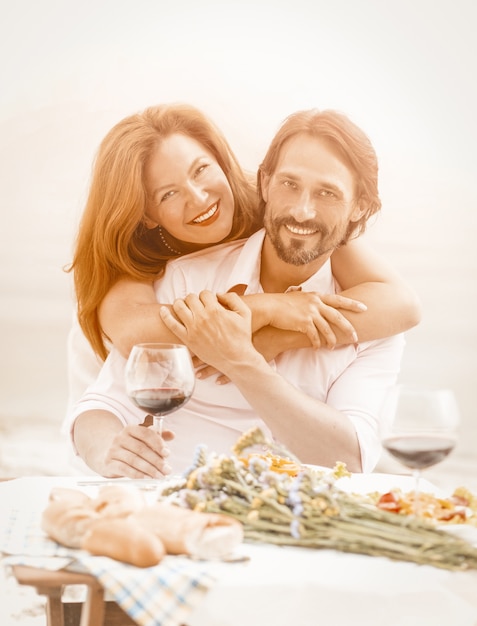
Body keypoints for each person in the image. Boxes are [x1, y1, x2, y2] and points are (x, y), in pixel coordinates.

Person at [66, 108, 408, 478]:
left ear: (358, 207)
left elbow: (349, 459)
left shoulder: (370, 316)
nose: (303, 211)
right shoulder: (172, 281)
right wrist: (109, 452)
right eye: (289, 184)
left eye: (327, 193)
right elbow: (102, 402)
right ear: (266, 183)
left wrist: (246, 355)